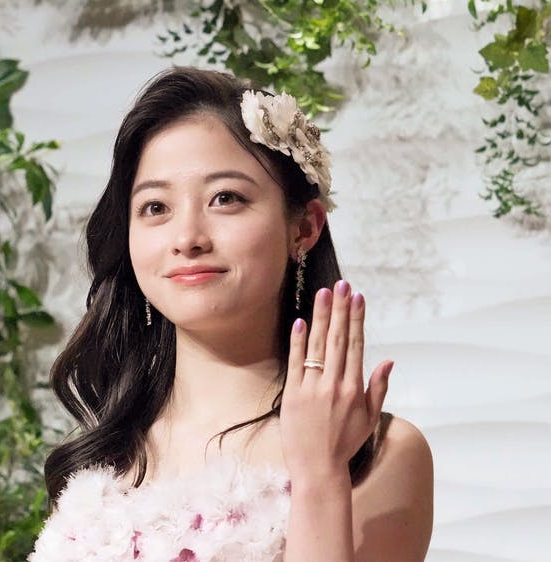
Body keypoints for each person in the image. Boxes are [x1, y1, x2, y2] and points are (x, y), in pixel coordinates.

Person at [29, 66, 434, 562]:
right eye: (155, 207)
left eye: (226, 198)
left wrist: (320, 475)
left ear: (304, 228)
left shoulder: (374, 453)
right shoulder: (102, 456)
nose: (187, 238)